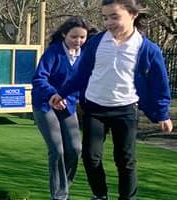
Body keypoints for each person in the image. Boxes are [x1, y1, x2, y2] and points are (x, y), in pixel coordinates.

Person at [50, 1, 173, 199]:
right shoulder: (96, 43)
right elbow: (81, 74)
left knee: (125, 160)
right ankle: (100, 196)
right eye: (105, 17)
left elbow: (159, 83)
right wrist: (62, 93)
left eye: (114, 16)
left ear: (132, 14)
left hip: (125, 109)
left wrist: (162, 114)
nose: (108, 22)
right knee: (91, 158)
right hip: (94, 108)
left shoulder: (147, 49)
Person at [31, 16, 90, 200]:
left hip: (68, 105)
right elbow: (39, 78)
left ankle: (64, 187)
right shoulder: (53, 52)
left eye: (82, 37)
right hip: (45, 104)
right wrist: (52, 95)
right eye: (74, 37)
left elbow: (83, 81)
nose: (78, 41)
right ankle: (59, 195)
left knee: (75, 148)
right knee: (57, 149)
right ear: (64, 34)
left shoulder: (85, 56)